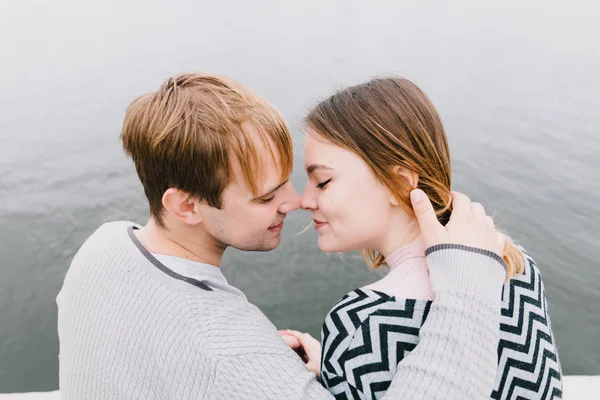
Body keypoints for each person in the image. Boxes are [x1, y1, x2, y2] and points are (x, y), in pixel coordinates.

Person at [57, 73, 508, 399]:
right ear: (186, 206)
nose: (294, 202)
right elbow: (217, 355)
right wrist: (468, 292)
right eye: (265, 196)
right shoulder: (231, 350)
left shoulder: (102, 246)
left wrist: (277, 371)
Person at [286, 76, 562, 399]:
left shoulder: (357, 325)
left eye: (322, 182)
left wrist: (340, 362)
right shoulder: (515, 263)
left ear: (399, 183)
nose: (304, 200)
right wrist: (335, 367)